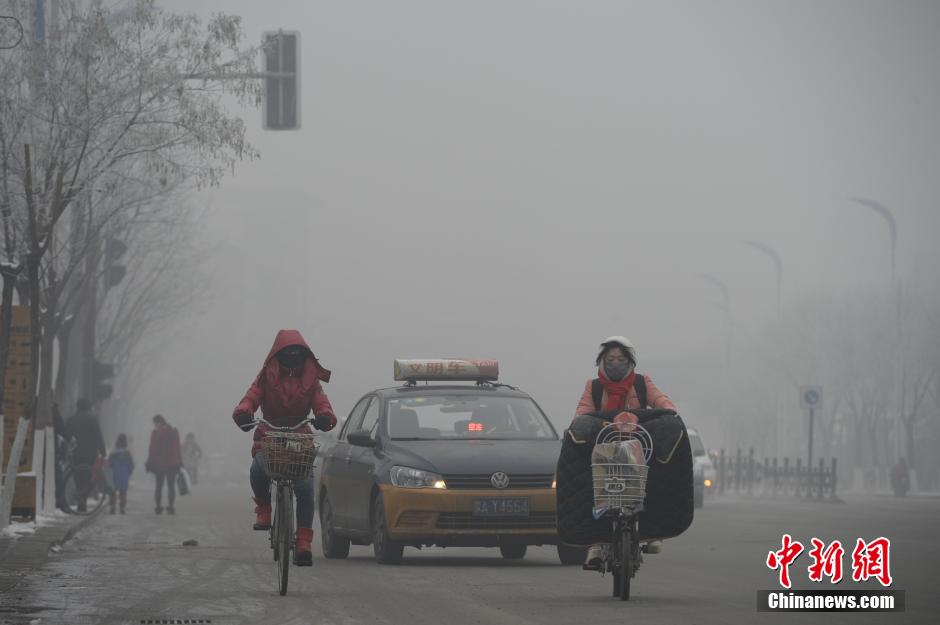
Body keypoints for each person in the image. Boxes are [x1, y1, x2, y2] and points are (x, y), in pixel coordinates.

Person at [232, 329, 337, 566]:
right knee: (258, 468)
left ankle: (303, 542)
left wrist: (324, 416)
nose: (292, 356)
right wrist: (244, 412)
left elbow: (322, 403)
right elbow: (251, 397)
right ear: (277, 355)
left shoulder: (312, 379)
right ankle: (264, 509)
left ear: (304, 355)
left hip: (299, 439)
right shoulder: (265, 377)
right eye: (287, 353)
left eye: (296, 353)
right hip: (268, 436)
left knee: (305, 487)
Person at [574, 336, 677, 570]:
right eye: (610, 359)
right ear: (602, 361)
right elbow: (582, 413)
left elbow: (665, 405)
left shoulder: (642, 383)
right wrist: (593, 425)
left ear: (630, 361)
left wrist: (653, 418)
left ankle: (652, 534)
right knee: (593, 491)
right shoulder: (594, 387)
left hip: (639, 448)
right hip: (604, 449)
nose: (615, 363)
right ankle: (596, 546)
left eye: (621, 359)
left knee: (656, 480)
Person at [65, 398, 107, 513]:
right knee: (90, 478)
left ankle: (81, 504)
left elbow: (66, 436)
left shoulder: (71, 420)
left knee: (78, 479)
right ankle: (82, 499)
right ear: (88, 407)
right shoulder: (93, 420)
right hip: (90, 454)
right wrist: (103, 452)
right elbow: (98, 436)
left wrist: (65, 452)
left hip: (76, 454)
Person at [145, 414, 182, 515]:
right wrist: (180, 461)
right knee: (171, 486)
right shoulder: (174, 431)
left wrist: (149, 461)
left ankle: (158, 507)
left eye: (155, 424)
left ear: (159, 423)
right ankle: (170, 507)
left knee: (159, 486)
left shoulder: (156, 433)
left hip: (160, 464)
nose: (154, 426)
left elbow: (152, 449)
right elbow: (178, 447)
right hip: (173, 463)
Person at [108, 434, 135, 514]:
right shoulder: (128, 454)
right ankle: (122, 507)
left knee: (113, 492)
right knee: (123, 492)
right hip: (124, 476)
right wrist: (128, 473)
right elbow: (131, 466)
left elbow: (109, 464)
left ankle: (112, 507)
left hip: (114, 476)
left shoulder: (112, 454)